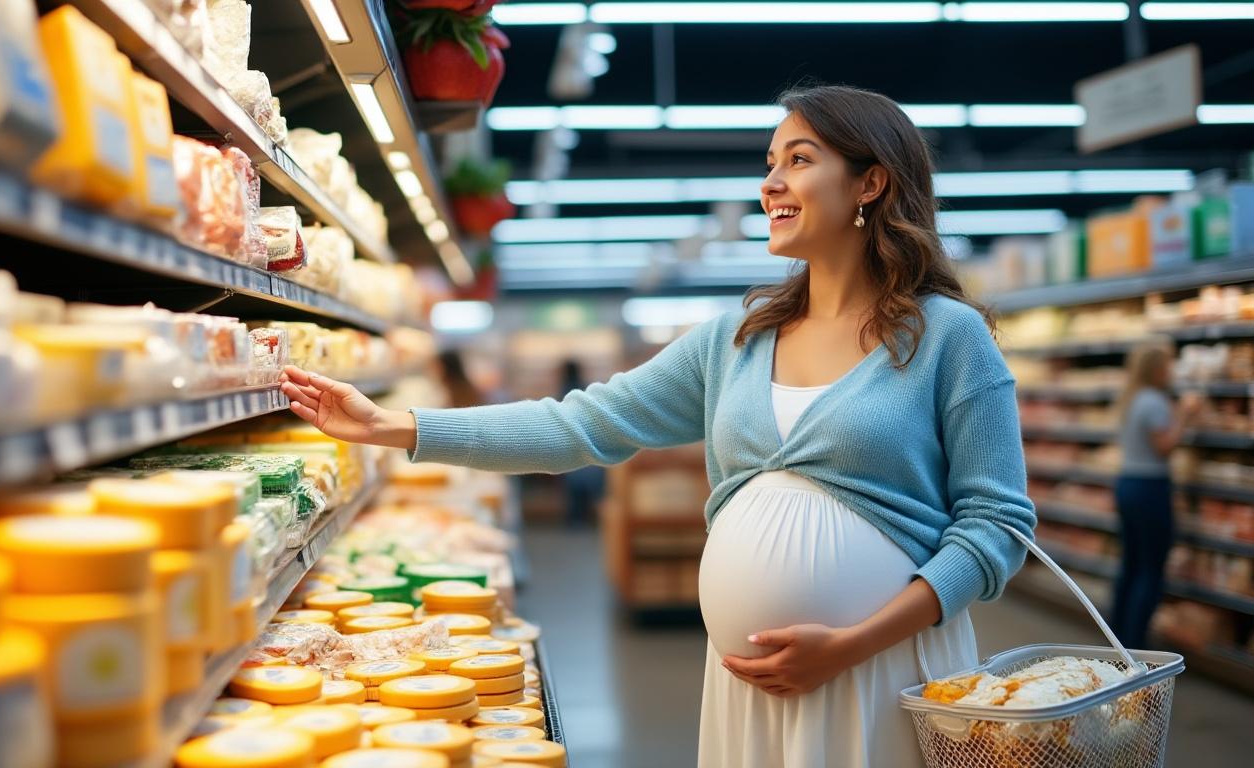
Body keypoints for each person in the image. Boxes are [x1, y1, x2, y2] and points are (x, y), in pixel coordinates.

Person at [280, 84, 1035, 768]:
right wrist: (397, 426)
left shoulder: (947, 337)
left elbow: (996, 525)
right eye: (769, 161)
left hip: (885, 668)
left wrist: (851, 644)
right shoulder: (736, 341)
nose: (770, 181)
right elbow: (580, 424)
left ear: (870, 182)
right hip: (749, 686)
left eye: (799, 160)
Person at [1113, 342, 1202, 650]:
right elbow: (1164, 447)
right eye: (1168, 365)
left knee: (1131, 565)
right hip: (1149, 488)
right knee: (1151, 570)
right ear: (1157, 369)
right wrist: (1186, 416)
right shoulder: (1154, 402)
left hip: (1127, 484)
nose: (1172, 370)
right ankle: (1137, 646)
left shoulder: (1133, 398)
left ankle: (1119, 640)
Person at [558, 359, 605, 527]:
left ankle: (575, 519)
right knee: (588, 486)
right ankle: (588, 519)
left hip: (570, 445)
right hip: (589, 444)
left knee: (574, 488)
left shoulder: (563, 390)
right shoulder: (585, 387)